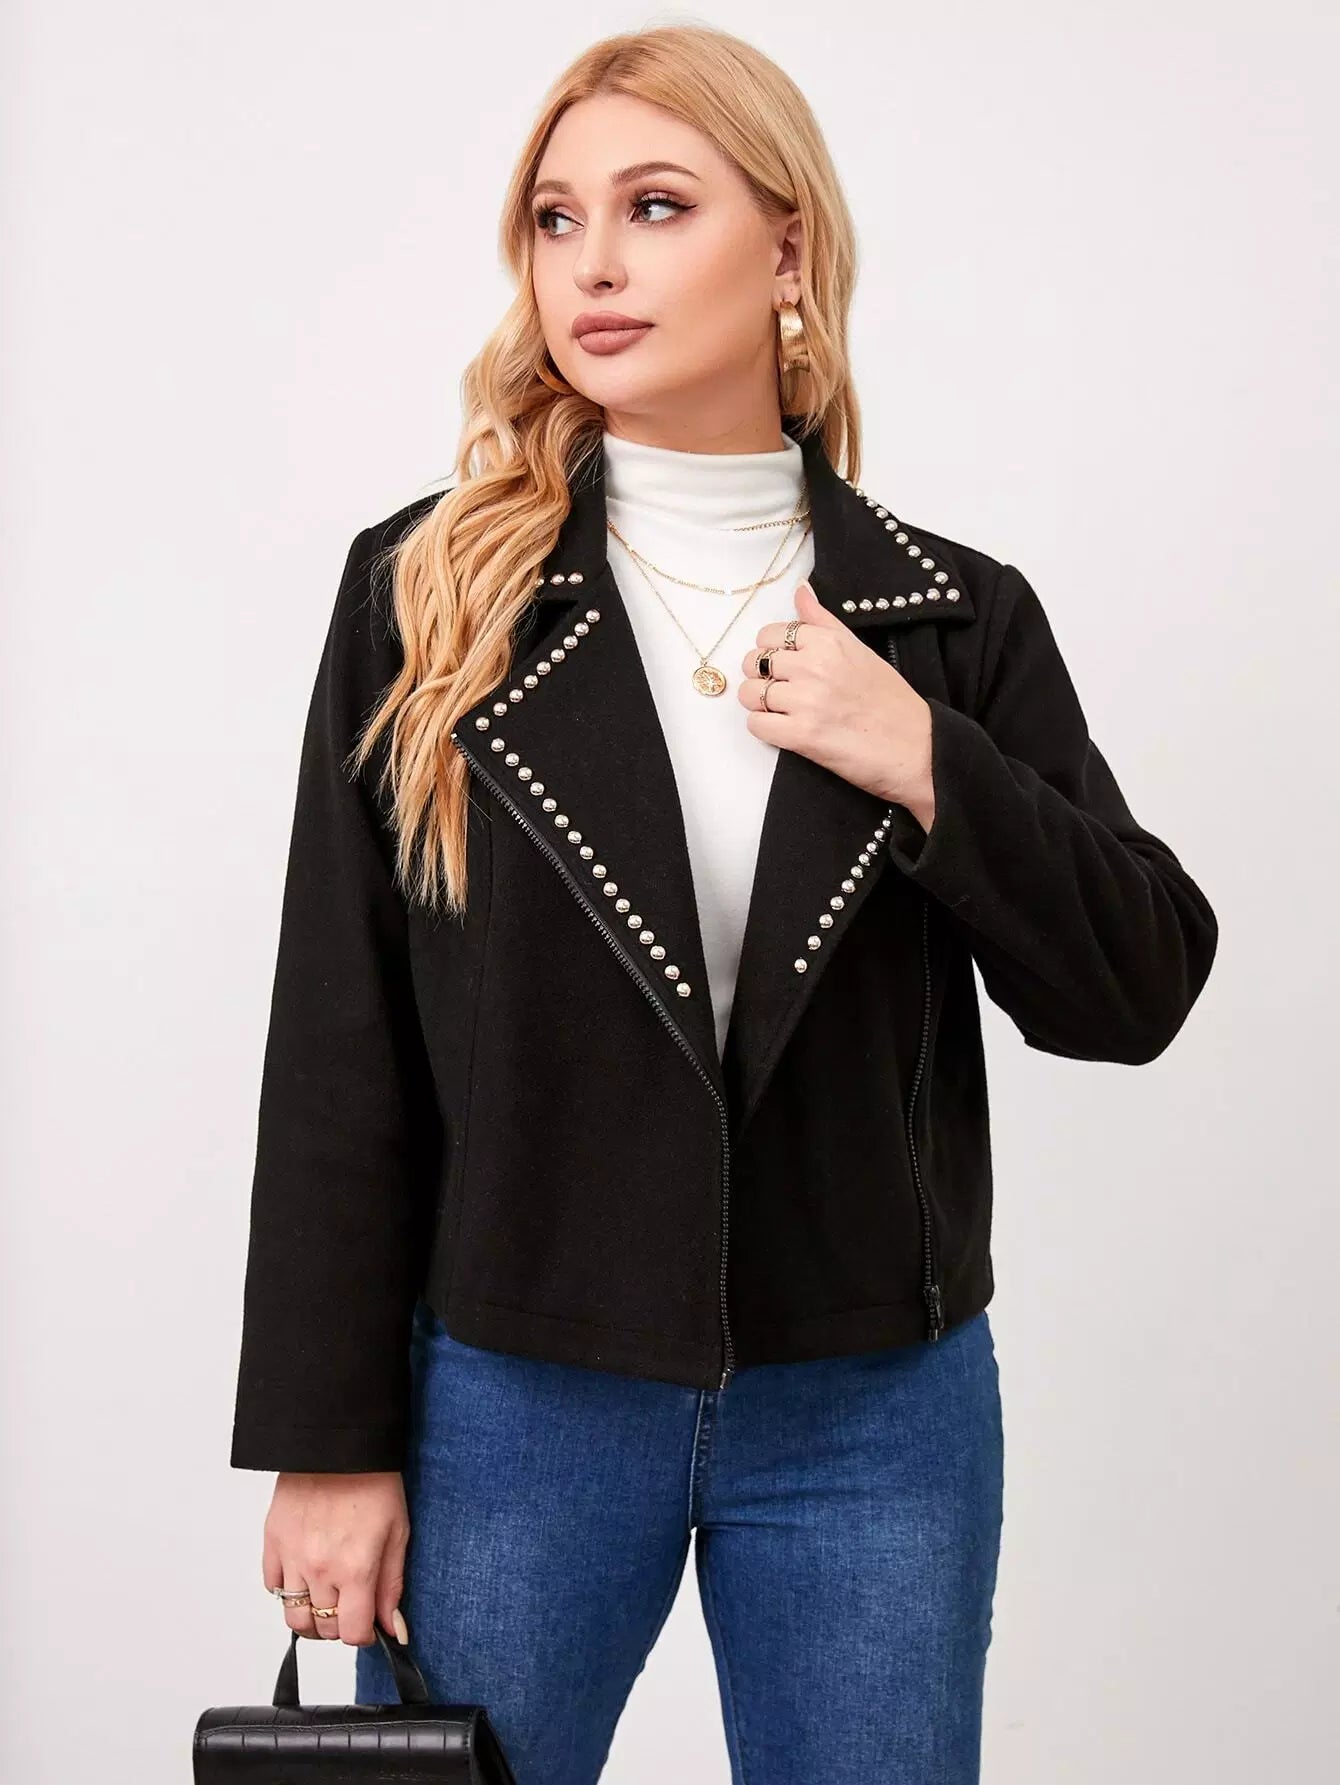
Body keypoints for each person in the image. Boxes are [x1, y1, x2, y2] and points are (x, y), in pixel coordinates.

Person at [228, 23, 1218, 1785]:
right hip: (514, 1396)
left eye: (656, 206)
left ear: (786, 249)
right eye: (556, 219)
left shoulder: (948, 620)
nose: (593, 264)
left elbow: (1135, 982)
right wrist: (329, 1441)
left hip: (875, 1408)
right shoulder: (428, 597)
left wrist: (925, 759)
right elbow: (338, 1043)